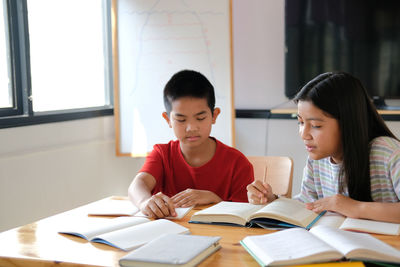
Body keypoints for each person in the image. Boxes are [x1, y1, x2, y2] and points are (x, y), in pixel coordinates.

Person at [247, 71, 400, 223]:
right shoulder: (316, 160)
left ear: (347, 123)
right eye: (300, 122)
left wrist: (355, 208)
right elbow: (307, 206)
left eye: (315, 125)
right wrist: (271, 201)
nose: (303, 134)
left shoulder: (389, 153)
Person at [128, 69, 254, 218]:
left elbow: (244, 218)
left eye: (200, 118)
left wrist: (215, 200)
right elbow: (138, 184)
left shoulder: (237, 163)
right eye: (181, 120)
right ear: (167, 119)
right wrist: (144, 202)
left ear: (214, 115)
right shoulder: (162, 154)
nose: (191, 128)